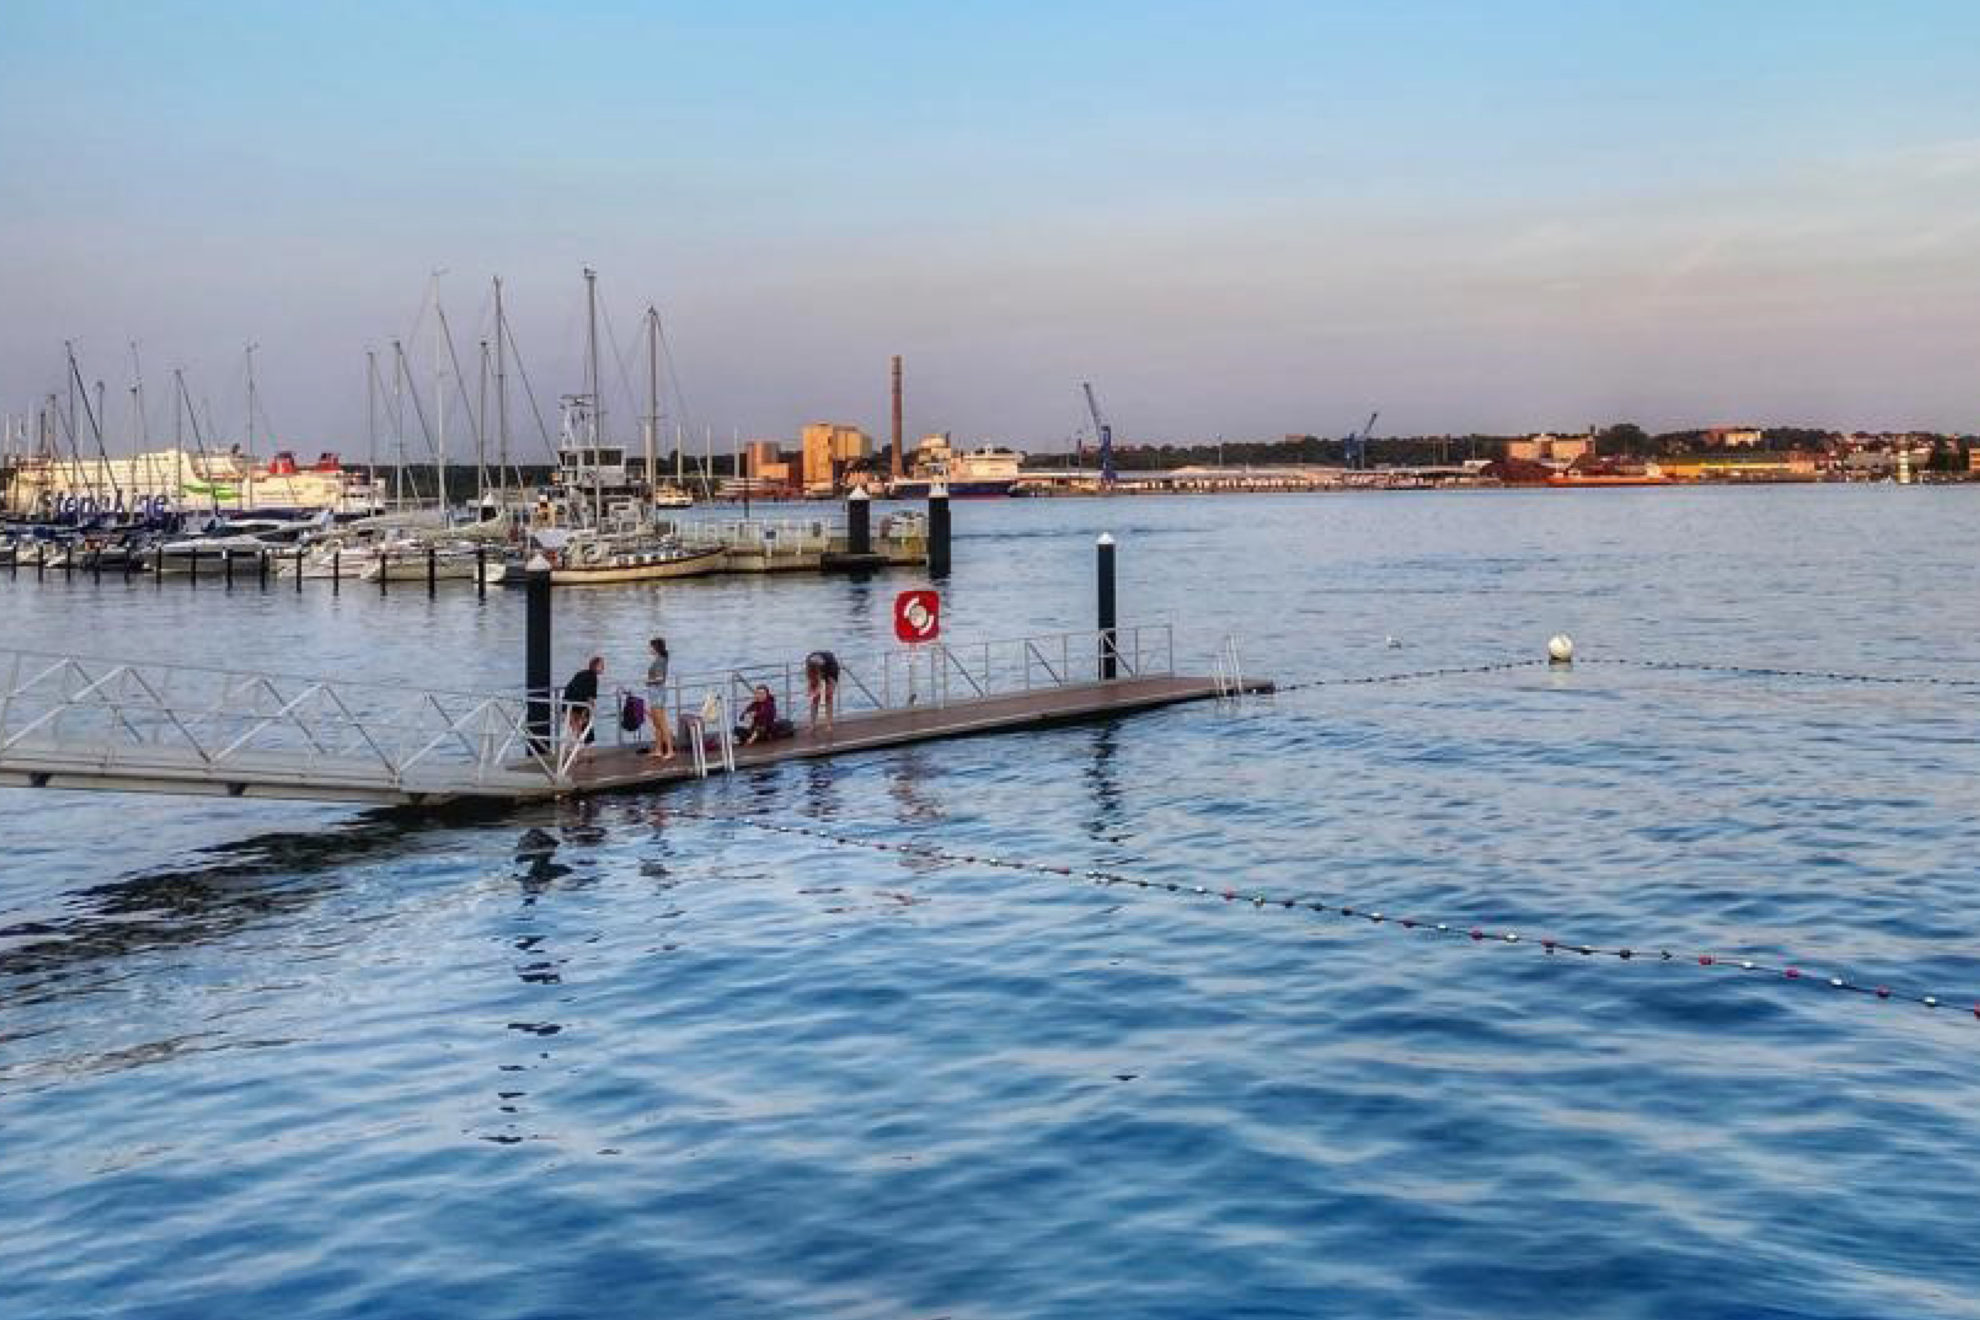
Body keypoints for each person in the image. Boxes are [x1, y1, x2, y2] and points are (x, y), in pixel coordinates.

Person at [563, 656, 603, 756]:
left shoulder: (580, 674)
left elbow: (570, 688)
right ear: (595, 666)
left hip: (568, 703)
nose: (604, 667)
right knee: (584, 726)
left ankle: (574, 753)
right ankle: (582, 752)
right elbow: (590, 698)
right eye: (601, 665)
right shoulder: (593, 678)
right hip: (579, 705)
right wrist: (591, 711)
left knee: (575, 729)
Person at [644, 637, 674, 760]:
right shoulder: (659, 660)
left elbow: (660, 678)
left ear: (655, 648)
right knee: (656, 723)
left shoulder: (660, 661)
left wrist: (648, 681)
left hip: (657, 694)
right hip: (654, 694)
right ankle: (658, 749)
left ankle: (670, 751)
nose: (649, 649)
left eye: (650, 646)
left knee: (662, 723)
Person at [804, 649, 839, 731]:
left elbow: (823, 684)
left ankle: (829, 724)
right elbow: (810, 681)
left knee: (828, 698)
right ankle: (812, 725)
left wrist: (818, 692)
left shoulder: (829, 668)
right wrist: (811, 692)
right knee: (814, 700)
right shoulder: (809, 662)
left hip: (831, 671)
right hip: (819, 665)